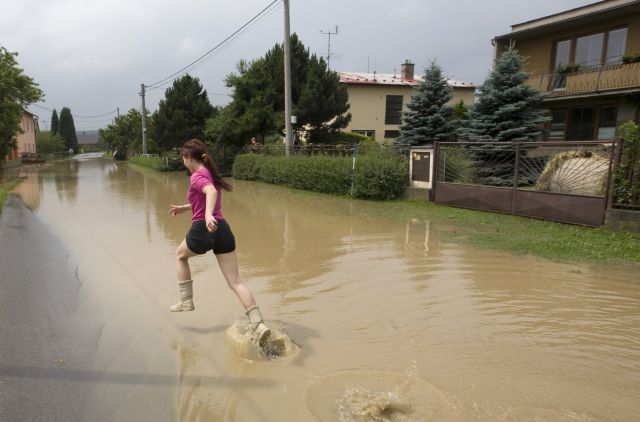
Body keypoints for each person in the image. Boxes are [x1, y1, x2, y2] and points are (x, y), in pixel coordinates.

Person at [168, 138, 271, 347]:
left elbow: (211, 193)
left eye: (183, 159)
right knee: (236, 282)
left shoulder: (196, 176)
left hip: (205, 227)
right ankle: (259, 324)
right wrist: (185, 208)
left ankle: (186, 300)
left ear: (188, 158)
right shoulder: (210, 173)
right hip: (223, 229)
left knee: (179, 256)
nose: (183, 163)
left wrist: (206, 216)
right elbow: (206, 196)